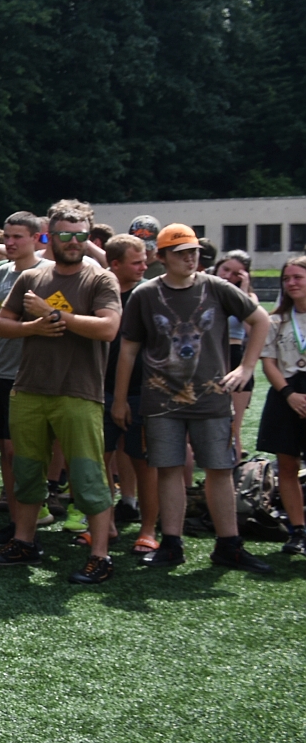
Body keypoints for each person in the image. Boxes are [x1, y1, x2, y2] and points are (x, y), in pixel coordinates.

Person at [112, 223, 272, 575]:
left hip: (211, 399)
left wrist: (246, 367)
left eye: (194, 252)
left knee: (219, 470)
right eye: (181, 253)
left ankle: (229, 545)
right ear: (162, 256)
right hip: (160, 400)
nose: (190, 258)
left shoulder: (216, 287)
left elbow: (261, 320)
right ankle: (172, 543)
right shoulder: (145, 294)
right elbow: (128, 349)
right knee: (168, 470)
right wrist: (120, 399)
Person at [0, 201, 124, 583]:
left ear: (88, 237)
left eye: (80, 235)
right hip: (29, 389)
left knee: (88, 477)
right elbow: (0, 325)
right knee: (27, 473)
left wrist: (53, 314)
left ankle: (100, 556)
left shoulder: (101, 279)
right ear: (50, 236)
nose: (73, 242)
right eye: (65, 234)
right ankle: (24, 542)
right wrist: (33, 327)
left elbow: (108, 328)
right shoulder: (32, 277)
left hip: (79, 393)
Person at [0, 211, 45, 540]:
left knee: (24, 453)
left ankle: (31, 523)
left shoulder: (47, 273)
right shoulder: (2, 272)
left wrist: (12, 321)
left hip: (30, 373)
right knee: (6, 451)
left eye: (18, 236)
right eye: (7, 236)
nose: (10, 243)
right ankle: (16, 523)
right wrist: (10, 316)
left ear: (35, 238)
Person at [101, 233, 155, 547]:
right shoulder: (98, 291)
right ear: (115, 264)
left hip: (142, 391)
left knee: (144, 464)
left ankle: (148, 530)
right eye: (136, 263)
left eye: (144, 261)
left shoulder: (148, 294)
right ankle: (105, 525)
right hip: (99, 389)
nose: (143, 267)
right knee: (98, 462)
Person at [257, 255, 306, 556]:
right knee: (287, 466)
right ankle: (298, 531)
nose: (291, 283)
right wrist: (289, 394)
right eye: (286, 279)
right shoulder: (275, 320)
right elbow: (268, 362)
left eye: (298, 277)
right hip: (286, 395)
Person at [215, 249, 258, 450]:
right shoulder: (203, 290)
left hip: (234, 356)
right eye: (225, 269)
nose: (227, 276)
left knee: (234, 427)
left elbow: (253, 330)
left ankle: (234, 463)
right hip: (209, 357)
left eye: (235, 274)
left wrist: (244, 291)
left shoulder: (248, 298)